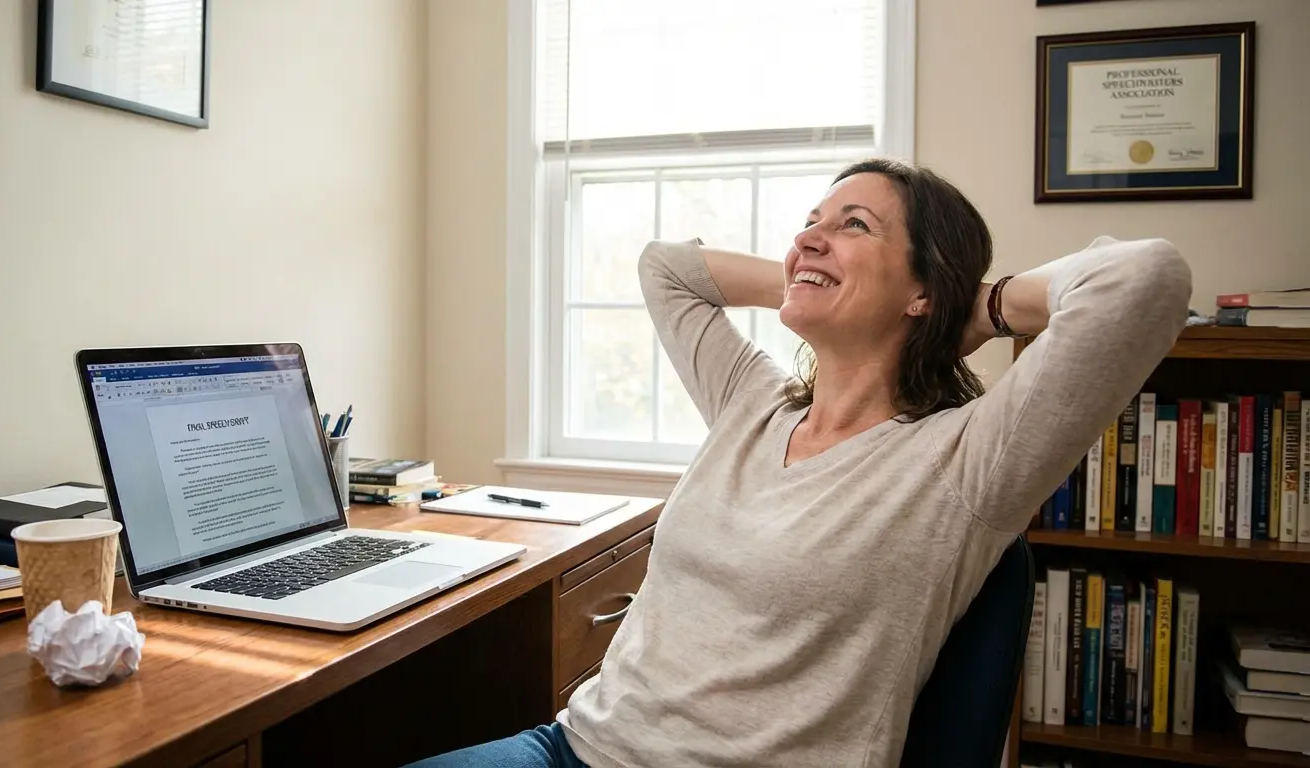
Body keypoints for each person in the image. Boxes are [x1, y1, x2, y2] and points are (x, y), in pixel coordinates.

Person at [406, 158, 1192, 767]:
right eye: (809, 222)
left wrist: (978, 307)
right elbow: (666, 267)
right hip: (580, 748)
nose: (806, 239)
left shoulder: (964, 462)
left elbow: (1145, 278)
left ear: (925, 289)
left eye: (854, 226)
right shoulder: (752, 402)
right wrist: (819, 269)